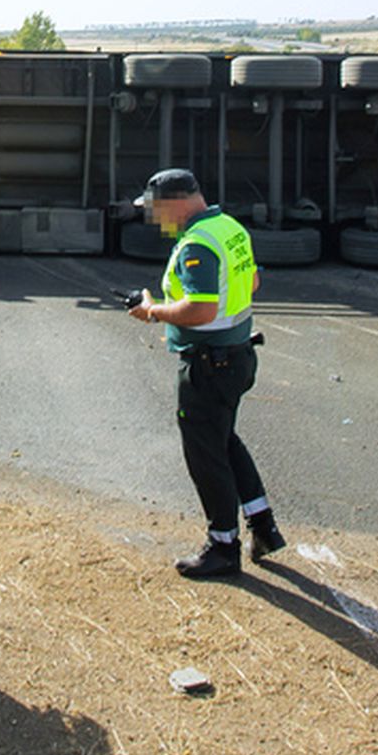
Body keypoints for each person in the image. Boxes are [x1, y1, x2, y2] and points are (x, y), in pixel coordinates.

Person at [127, 168, 286, 577]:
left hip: (208, 365)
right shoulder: (227, 227)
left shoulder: (197, 243)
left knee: (205, 453)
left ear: (178, 202)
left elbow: (201, 309)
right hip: (236, 356)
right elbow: (250, 283)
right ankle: (262, 525)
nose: (155, 219)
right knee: (224, 441)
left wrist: (152, 311)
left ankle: (222, 545)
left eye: (157, 210)